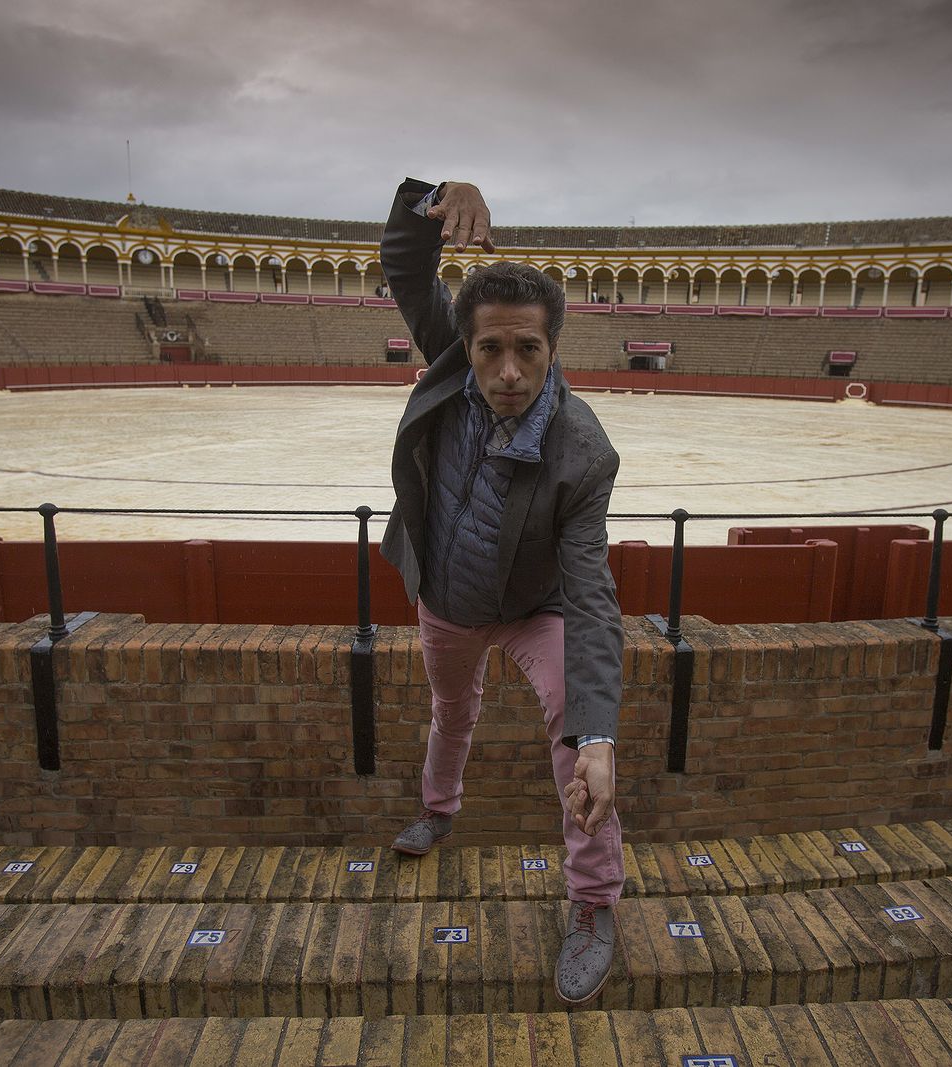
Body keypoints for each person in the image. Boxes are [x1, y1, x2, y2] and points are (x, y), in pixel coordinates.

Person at [379, 177, 625, 1005]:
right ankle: (438, 808)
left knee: (576, 733)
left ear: (553, 347)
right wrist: (431, 197)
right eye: (491, 349)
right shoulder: (452, 358)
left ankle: (594, 900)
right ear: (467, 345)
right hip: (446, 600)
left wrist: (601, 733)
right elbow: (406, 267)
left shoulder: (582, 450)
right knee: (452, 710)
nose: (509, 371)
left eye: (528, 349)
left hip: (534, 608)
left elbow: (591, 593)